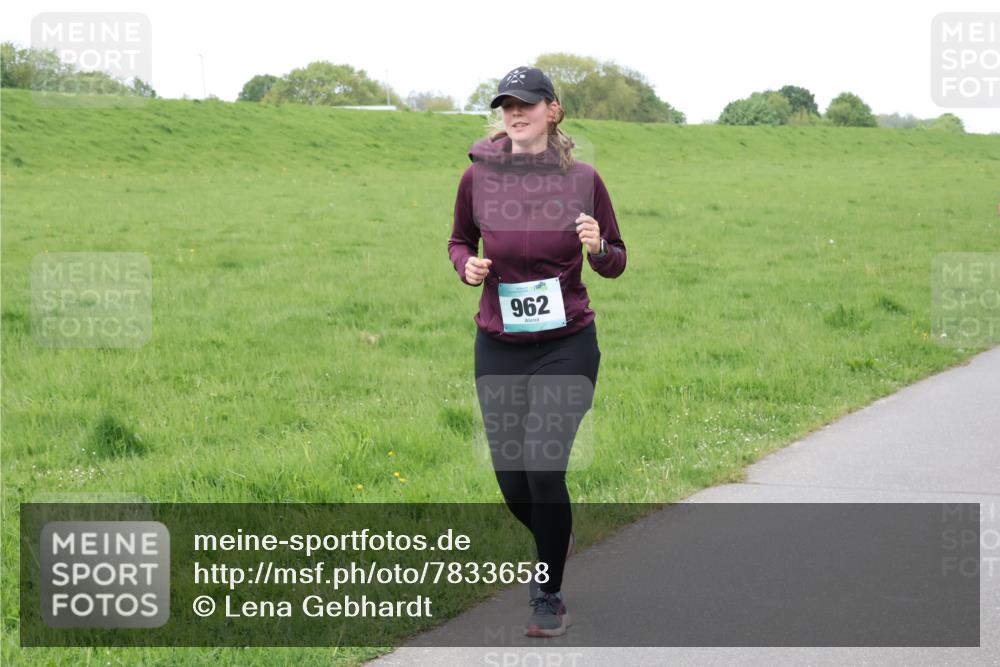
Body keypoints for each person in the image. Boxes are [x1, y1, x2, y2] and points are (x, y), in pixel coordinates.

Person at [448, 66, 627, 637]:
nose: (514, 113)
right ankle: (557, 532)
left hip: (567, 343)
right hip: (499, 345)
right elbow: (458, 239)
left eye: (525, 103)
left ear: (553, 110)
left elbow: (617, 258)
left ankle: (547, 594)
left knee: (544, 470)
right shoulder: (475, 179)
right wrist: (466, 266)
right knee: (513, 481)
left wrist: (598, 247)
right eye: (505, 105)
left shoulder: (584, 179)